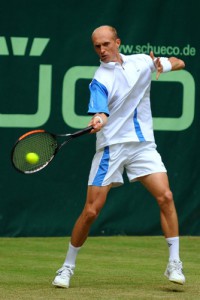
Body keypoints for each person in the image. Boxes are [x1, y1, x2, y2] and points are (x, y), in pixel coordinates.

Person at [52, 25, 186, 288]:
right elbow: (100, 110)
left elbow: (178, 61)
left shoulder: (140, 61)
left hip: (143, 145)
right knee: (91, 211)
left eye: (106, 44)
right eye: (96, 46)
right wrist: (99, 118)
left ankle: (174, 263)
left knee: (166, 196)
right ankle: (66, 267)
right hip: (112, 147)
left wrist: (167, 65)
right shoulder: (100, 79)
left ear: (117, 42)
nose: (101, 50)